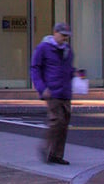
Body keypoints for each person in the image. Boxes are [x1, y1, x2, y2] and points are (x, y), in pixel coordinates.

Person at [31, 22, 76, 165]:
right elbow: (35, 69)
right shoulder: (44, 48)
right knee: (57, 121)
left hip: (65, 92)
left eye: (66, 36)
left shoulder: (67, 50)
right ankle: (46, 148)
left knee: (64, 123)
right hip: (52, 91)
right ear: (55, 32)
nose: (64, 38)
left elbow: (68, 69)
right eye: (62, 35)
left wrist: (76, 74)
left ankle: (56, 155)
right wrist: (41, 88)